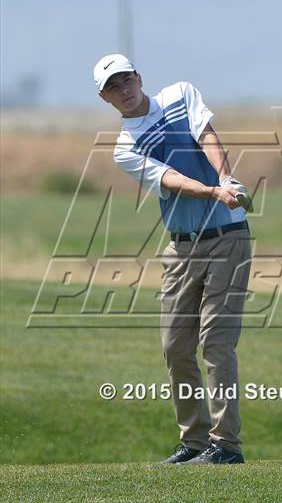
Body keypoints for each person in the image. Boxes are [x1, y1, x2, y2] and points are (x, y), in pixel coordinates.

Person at [93, 54, 253, 465]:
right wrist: (213, 191)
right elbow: (172, 180)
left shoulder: (181, 94)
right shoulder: (125, 147)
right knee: (174, 346)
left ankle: (226, 446)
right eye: (114, 87)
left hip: (227, 239)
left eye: (127, 79)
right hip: (181, 247)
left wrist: (226, 179)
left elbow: (207, 135)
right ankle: (195, 441)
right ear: (105, 98)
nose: (124, 89)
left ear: (139, 77)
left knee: (216, 344)